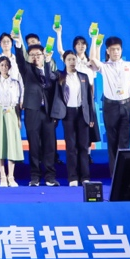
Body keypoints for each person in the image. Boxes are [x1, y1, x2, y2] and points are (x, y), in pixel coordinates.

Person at [87, 34, 130, 174]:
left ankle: (125, 172)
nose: (116, 52)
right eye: (112, 49)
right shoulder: (104, 66)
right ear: (108, 51)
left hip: (126, 105)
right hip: (110, 107)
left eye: (118, 49)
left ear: (121, 50)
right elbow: (92, 59)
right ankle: (114, 173)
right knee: (112, 140)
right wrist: (94, 39)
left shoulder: (129, 65)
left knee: (125, 140)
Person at [15, 41, 60, 185]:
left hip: (47, 113)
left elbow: (51, 84)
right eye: (32, 55)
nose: (35, 57)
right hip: (32, 111)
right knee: (34, 145)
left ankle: (50, 176)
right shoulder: (27, 69)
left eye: (38, 55)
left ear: (43, 56)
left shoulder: (50, 70)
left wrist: (47, 61)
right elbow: (20, 59)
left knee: (49, 146)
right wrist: (18, 43)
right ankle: (35, 176)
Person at [51, 50, 96, 186]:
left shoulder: (83, 76)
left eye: (74, 59)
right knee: (71, 147)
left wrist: (91, 117)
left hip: (82, 113)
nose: (72, 62)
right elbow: (49, 76)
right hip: (68, 114)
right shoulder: (59, 76)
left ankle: (85, 177)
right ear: (64, 61)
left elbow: (89, 99)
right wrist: (47, 59)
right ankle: (73, 177)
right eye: (69, 59)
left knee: (83, 146)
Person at [0, 55, 23, 186]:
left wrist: (18, 118)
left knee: (11, 145)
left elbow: (17, 103)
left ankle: (11, 176)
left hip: (12, 112)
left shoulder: (15, 82)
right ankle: (2, 176)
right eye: (2, 65)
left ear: (10, 67)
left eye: (6, 65)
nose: (4, 67)